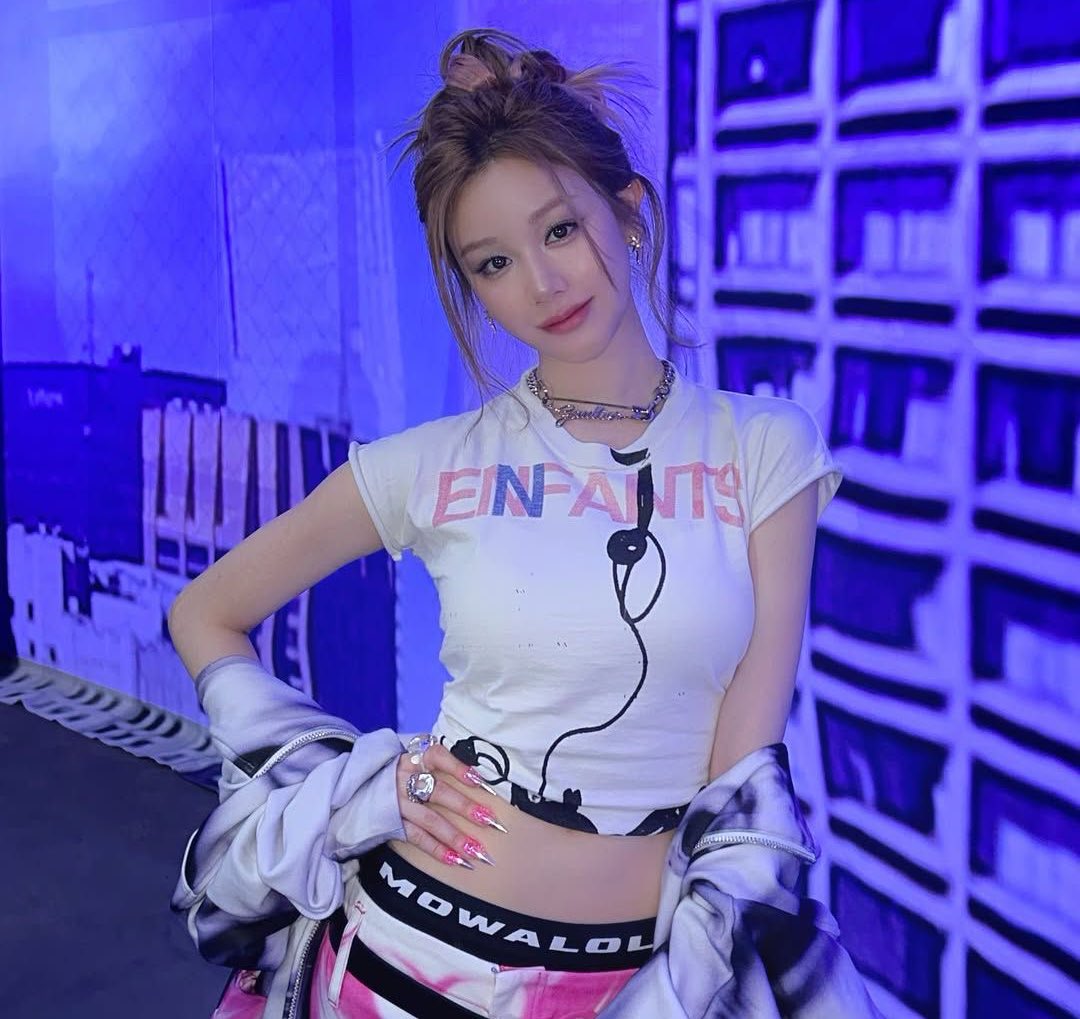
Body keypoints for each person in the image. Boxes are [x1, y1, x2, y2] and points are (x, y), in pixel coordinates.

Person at [169, 27, 877, 1019]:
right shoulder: (430, 462)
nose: (541, 285)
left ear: (628, 212)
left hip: (642, 978)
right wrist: (352, 785)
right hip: (406, 961)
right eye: (493, 261)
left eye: (560, 230)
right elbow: (204, 612)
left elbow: (740, 779)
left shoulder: (763, 448)